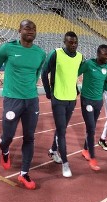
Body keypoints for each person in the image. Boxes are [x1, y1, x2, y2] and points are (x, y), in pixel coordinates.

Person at [0, 20, 46, 189]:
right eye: (27, 28)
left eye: (34, 28)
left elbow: (36, 73)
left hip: (32, 101)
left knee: (29, 137)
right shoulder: (7, 48)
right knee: (7, 137)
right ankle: (5, 150)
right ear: (19, 30)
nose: (31, 31)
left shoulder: (40, 53)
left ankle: (24, 173)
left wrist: (30, 89)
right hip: (12, 100)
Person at [41, 31, 84, 177]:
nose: (73, 45)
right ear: (64, 42)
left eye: (75, 42)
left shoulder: (80, 57)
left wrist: (76, 89)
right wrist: (48, 92)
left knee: (62, 128)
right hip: (58, 98)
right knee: (62, 132)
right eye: (70, 42)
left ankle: (53, 150)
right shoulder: (56, 53)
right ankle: (65, 163)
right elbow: (44, 72)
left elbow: (73, 74)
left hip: (72, 99)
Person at [79, 44, 107, 171]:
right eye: (105, 53)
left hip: (98, 101)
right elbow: (75, 74)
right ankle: (92, 158)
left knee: (91, 127)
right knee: (91, 128)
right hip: (87, 100)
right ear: (98, 54)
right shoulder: (88, 64)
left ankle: (85, 149)